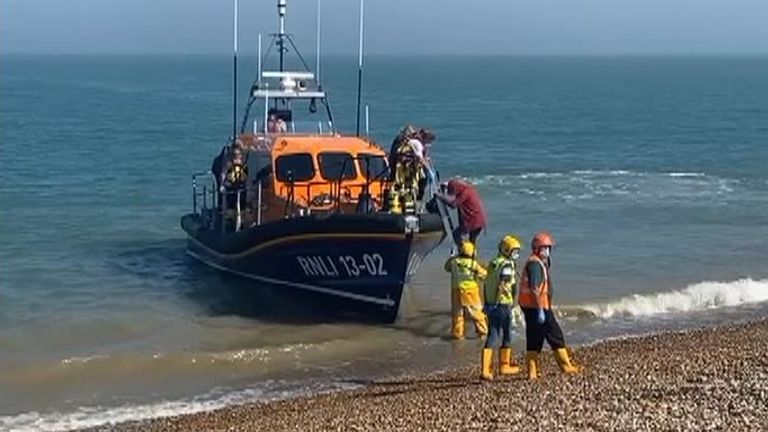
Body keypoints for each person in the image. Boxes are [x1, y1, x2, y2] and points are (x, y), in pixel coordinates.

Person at [518, 231, 581, 379]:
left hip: (531, 308)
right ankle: (565, 366)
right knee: (556, 336)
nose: (547, 251)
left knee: (534, 338)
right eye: (545, 248)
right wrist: (541, 309)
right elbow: (534, 288)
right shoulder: (535, 264)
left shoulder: (536, 262)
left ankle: (532, 372)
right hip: (539, 308)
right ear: (537, 248)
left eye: (548, 248)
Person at [480, 235, 523, 380]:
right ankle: (504, 366)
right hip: (503, 304)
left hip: (491, 304)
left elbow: (486, 284)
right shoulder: (507, 266)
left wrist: (487, 304)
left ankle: (485, 370)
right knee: (506, 335)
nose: (516, 254)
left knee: (492, 335)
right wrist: (502, 302)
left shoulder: (494, 263)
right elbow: (503, 285)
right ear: (506, 250)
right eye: (514, 251)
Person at [444, 241, 488, 340]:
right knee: (476, 312)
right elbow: (483, 276)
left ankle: (458, 334)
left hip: (456, 291)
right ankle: (483, 332)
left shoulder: (454, 262)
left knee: (458, 314)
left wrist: (452, 257)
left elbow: (446, 268)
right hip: (470, 292)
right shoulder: (473, 264)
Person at [435, 178, 487, 247]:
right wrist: (446, 186)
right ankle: (468, 253)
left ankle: (463, 251)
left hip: (474, 220)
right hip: (479, 220)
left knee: (457, 235)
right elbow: (454, 186)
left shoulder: (465, 193)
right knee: (471, 240)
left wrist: (440, 196)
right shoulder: (466, 188)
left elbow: (453, 205)